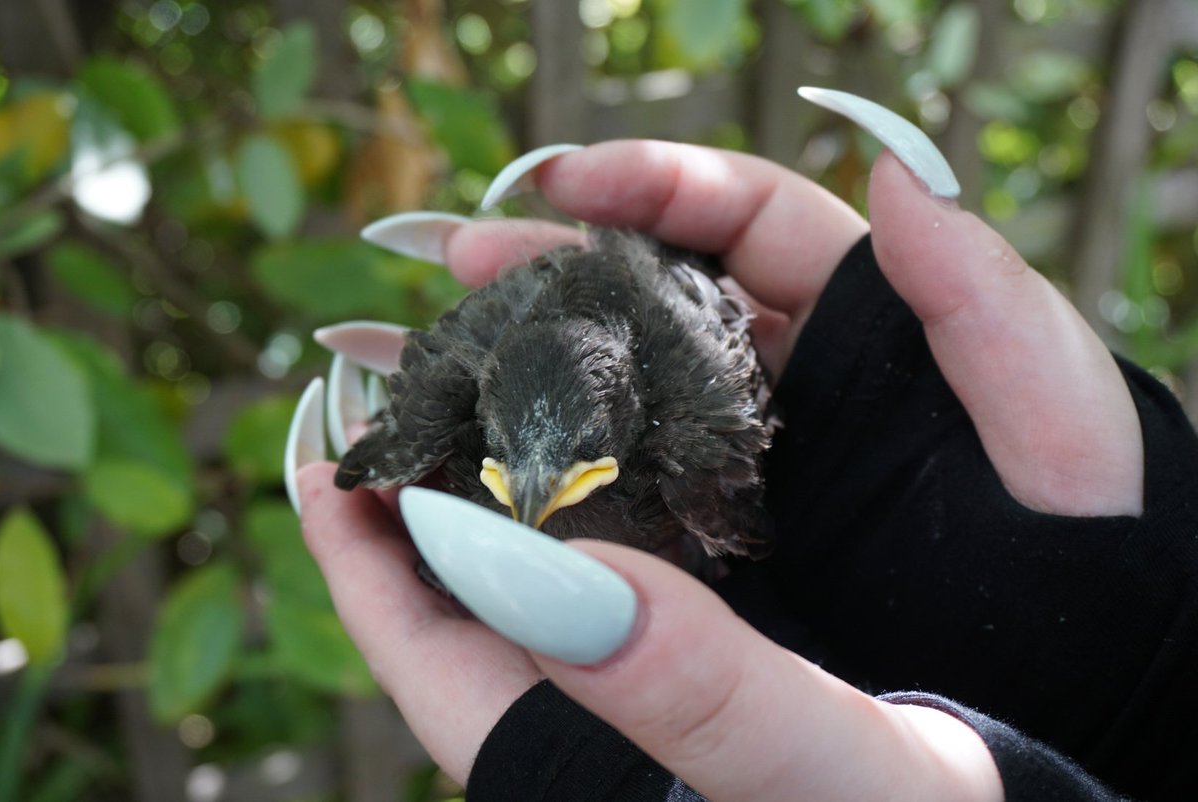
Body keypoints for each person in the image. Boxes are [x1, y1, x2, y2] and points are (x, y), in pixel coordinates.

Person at [291, 91, 1198, 800]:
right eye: (511, 477)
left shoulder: (693, 414)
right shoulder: (460, 391)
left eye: (559, 478)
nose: (527, 508)